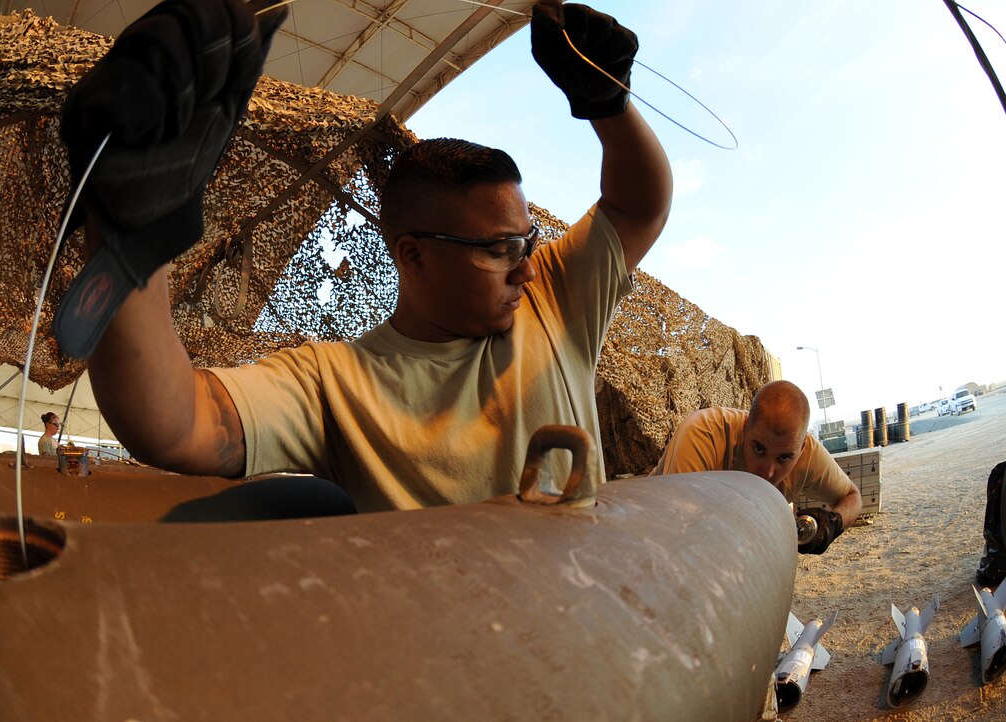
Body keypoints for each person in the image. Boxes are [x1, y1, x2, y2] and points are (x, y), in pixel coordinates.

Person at [55, 0, 672, 513]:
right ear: (413, 255)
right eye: (500, 249)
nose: (528, 267)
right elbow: (178, 423)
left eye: (528, 242)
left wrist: (609, 107)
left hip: (595, 632)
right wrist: (131, 228)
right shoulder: (335, 382)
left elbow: (638, 206)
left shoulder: (554, 302)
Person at [650, 379, 863, 554]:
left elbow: (852, 497)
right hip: (650, 531)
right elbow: (682, 534)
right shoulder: (703, 434)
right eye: (759, 450)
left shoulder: (810, 455)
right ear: (744, 429)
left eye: (784, 458)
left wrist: (832, 523)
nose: (767, 472)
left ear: (802, 447)